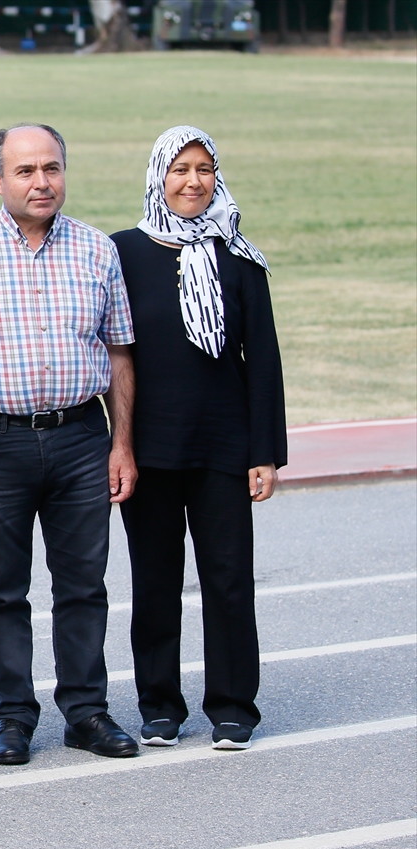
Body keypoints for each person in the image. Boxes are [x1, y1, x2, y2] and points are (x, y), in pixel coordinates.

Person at [0, 123, 140, 767]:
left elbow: (118, 353)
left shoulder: (95, 249)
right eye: (25, 171)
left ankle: (86, 710)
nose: (41, 182)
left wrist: (122, 445)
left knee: (82, 583)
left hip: (82, 436)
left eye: (51, 168)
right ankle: (12, 715)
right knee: (1, 588)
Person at [111, 125, 286, 752]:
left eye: (204, 169)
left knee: (229, 580)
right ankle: (159, 705)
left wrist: (264, 453)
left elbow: (263, 360)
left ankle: (234, 706)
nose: (193, 181)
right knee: (153, 582)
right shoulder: (123, 251)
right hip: (149, 449)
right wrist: (117, 444)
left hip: (224, 447)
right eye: (179, 169)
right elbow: (115, 352)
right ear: (158, 175)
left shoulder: (238, 257)